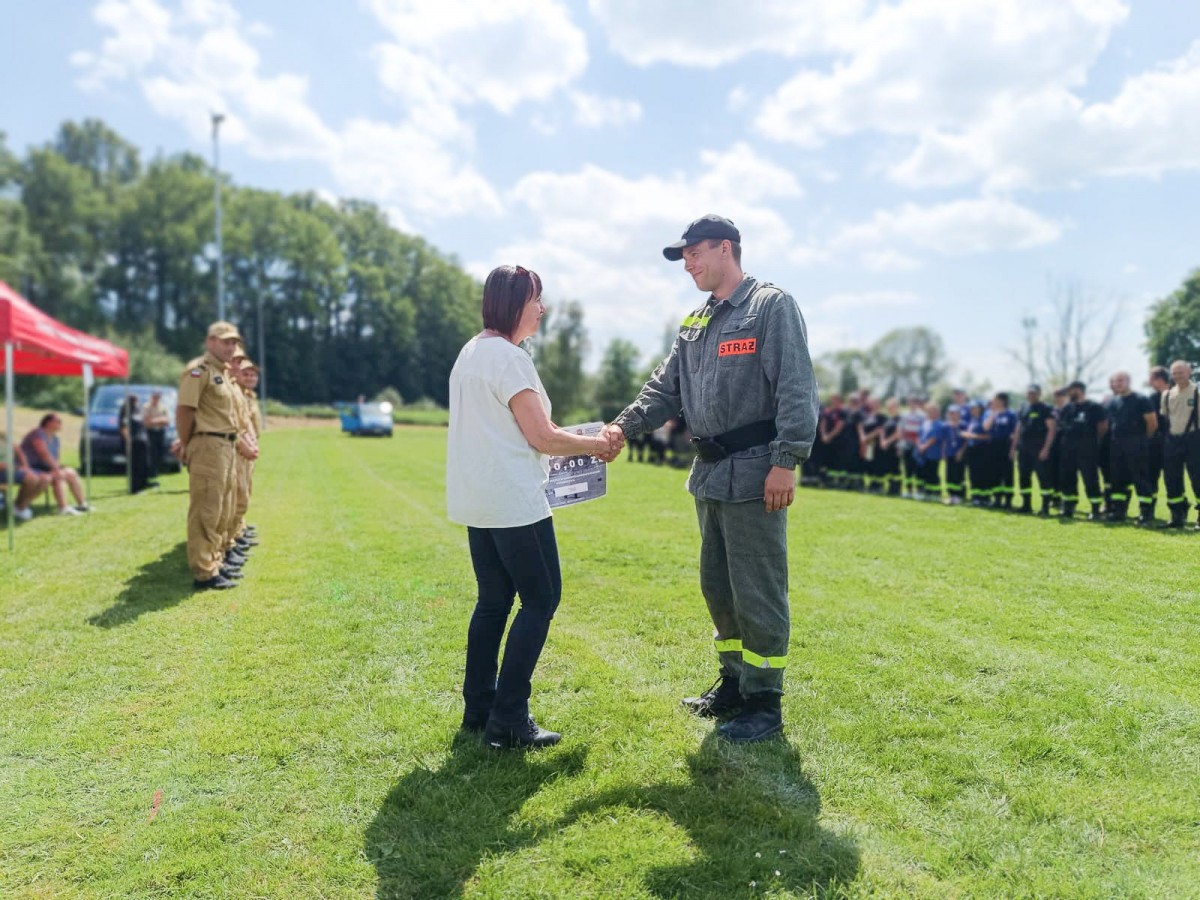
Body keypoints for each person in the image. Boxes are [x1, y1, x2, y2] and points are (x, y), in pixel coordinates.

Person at [606, 214, 819, 744]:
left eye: (694, 253)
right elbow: (665, 389)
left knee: (758, 590)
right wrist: (621, 427)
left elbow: (796, 386)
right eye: (683, 257)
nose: (688, 264)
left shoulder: (770, 307)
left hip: (756, 472)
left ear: (726, 249)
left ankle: (764, 701)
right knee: (718, 588)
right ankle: (733, 683)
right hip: (709, 474)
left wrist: (786, 460)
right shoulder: (695, 321)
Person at [447, 264, 617, 751]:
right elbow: (542, 436)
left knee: (493, 601)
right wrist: (596, 444)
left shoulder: (471, 352)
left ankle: (479, 709)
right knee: (541, 599)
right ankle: (509, 719)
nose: (542, 309)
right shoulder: (510, 358)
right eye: (536, 299)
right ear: (515, 303)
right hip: (514, 501)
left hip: (479, 499)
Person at [173, 321, 245, 590]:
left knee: (223, 507)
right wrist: (186, 443)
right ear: (210, 341)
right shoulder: (198, 370)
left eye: (234, 342)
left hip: (225, 446)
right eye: (226, 341)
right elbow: (185, 411)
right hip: (208, 445)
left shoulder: (221, 373)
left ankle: (216, 560)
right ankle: (204, 572)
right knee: (206, 509)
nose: (231, 347)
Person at [1105, 371, 1157, 524]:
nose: (1118, 384)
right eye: (1116, 381)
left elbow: (1152, 423)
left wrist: (1142, 439)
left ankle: (1145, 513)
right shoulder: (1113, 402)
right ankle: (1119, 511)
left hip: (1136, 444)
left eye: (1121, 380)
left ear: (1129, 381)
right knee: (1117, 479)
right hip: (1117, 445)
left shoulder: (1141, 399)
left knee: (1140, 478)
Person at [20, 413, 90, 514]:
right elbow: (43, 454)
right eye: (58, 421)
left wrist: (57, 468)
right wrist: (57, 470)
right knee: (59, 476)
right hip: (31, 468)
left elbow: (55, 458)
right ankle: (63, 508)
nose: (61, 423)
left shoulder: (55, 439)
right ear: (48, 423)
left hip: (46, 468)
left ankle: (82, 504)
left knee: (71, 473)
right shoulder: (36, 435)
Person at [1057, 380, 1107, 520]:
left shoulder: (1094, 407)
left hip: (1087, 448)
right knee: (1068, 478)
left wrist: (1093, 442)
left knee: (1090, 478)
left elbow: (1102, 427)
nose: (1069, 393)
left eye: (1071, 390)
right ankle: (1068, 506)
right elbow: (1062, 425)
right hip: (1068, 448)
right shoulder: (1067, 408)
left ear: (1079, 390)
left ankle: (1095, 509)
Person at [1160, 359, 1200, 529]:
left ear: (1189, 372)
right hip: (1172, 440)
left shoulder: (1197, 391)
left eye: (1181, 372)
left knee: (1197, 478)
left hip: (1194, 438)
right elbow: (1165, 417)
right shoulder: (1167, 394)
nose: (1177, 376)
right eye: (1174, 373)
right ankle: (1177, 515)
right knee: (1171, 479)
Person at [1012, 385, 1056, 515]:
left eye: (1034, 393)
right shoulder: (1023, 407)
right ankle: (1026, 504)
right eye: (1029, 393)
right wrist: (1013, 447)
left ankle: (1045, 507)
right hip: (1024, 448)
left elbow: (1052, 429)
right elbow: (1018, 428)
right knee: (1023, 477)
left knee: (1043, 477)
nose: (1031, 395)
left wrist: (1046, 448)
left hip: (1039, 448)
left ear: (1039, 394)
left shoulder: (1046, 408)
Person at [0, 432, 52, 521]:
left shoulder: (4, 437)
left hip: (13, 469)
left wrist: (25, 467)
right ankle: (19, 508)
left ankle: (19, 506)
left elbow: (20, 452)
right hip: (3, 471)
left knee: (46, 478)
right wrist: (15, 467)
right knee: (31, 478)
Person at [983, 392, 1017, 509]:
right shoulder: (990, 413)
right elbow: (986, 427)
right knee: (994, 473)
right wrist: (993, 414)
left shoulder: (1011, 414)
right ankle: (997, 498)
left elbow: (1015, 433)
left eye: (995, 400)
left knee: (1007, 474)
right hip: (993, 446)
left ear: (1001, 401)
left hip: (1006, 445)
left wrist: (1013, 449)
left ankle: (1008, 500)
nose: (992, 402)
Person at [1147, 366, 1170, 522]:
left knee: (1173, 479)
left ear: (1159, 379)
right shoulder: (1151, 398)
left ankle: (1179, 512)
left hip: (1174, 443)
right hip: (1155, 444)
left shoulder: (1176, 395)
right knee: (1151, 477)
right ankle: (1149, 510)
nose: (1149, 382)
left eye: (1151, 378)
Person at [914, 401, 946, 501]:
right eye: (928, 411)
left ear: (937, 412)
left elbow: (934, 438)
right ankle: (925, 492)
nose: (930, 413)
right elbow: (919, 435)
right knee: (923, 473)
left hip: (933, 453)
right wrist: (919, 445)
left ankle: (935, 494)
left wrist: (924, 447)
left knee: (933, 473)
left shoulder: (940, 424)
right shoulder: (925, 423)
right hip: (922, 453)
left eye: (933, 411)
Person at [119, 394, 151, 494]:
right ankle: (135, 488)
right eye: (136, 401)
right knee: (135, 465)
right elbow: (123, 427)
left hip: (142, 441)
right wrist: (128, 441)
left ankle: (143, 484)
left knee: (143, 464)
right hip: (134, 442)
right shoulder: (126, 412)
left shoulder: (137, 411)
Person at [142, 391, 171, 486]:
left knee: (159, 453)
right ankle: (150, 473)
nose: (156, 399)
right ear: (151, 397)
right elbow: (146, 422)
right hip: (150, 432)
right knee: (151, 453)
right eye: (154, 397)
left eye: (158, 397)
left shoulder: (163, 407)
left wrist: (155, 420)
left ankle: (156, 471)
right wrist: (160, 420)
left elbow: (167, 421)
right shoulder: (146, 407)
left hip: (160, 432)